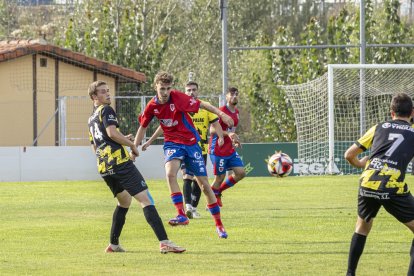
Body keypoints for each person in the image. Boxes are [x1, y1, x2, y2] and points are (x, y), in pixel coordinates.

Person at [87, 80, 185, 254]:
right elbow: (111, 133)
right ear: (94, 97)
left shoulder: (91, 119)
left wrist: (121, 139)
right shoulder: (106, 110)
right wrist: (131, 145)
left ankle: (113, 244)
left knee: (124, 201)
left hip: (103, 166)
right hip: (119, 162)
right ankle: (164, 242)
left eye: (108, 91)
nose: (108, 94)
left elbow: (97, 144)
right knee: (146, 199)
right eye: (103, 92)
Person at [133, 71, 233, 239]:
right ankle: (181, 214)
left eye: (168, 88)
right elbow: (142, 127)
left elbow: (203, 105)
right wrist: (134, 148)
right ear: (155, 87)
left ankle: (219, 224)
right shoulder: (152, 106)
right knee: (170, 173)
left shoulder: (178, 97)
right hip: (172, 143)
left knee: (205, 187)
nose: (165, 92)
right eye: (162, 88)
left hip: (191, 143)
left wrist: (222, 114)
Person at [344, 93, 414, 276]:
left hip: (367, 184)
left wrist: (361, 164)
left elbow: (349, 155)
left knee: (362, 227)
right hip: (392, 186)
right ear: (412, 113)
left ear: (391, 112)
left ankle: (350, 273)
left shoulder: (378, 127)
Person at [142, 81, 224, 219]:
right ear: (184, 92)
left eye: (194, 90)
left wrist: (221, 135)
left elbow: (215, 123)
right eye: (188, 90)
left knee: (201, 183)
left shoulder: (203, 108)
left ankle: (194, 208)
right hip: (180, 146)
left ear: (198, 91)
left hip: (200, 148)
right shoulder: (178, 104)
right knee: (186, 176)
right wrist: (150, 140)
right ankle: (187, 208)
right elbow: (164, 124)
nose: (191, 92)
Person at [209, 87, 246, 207]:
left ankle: (218, 191)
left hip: (229, 149)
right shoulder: (221, 111)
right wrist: (228, 134)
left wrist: (234, 140)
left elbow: (231, 130)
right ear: (227, 97)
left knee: (240, 173)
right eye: (232, 94)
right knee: (219, 177)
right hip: (218, 149)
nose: (235, 96)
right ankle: (211, 202)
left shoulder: (237, 113)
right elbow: (212, 129)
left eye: (237, 94)